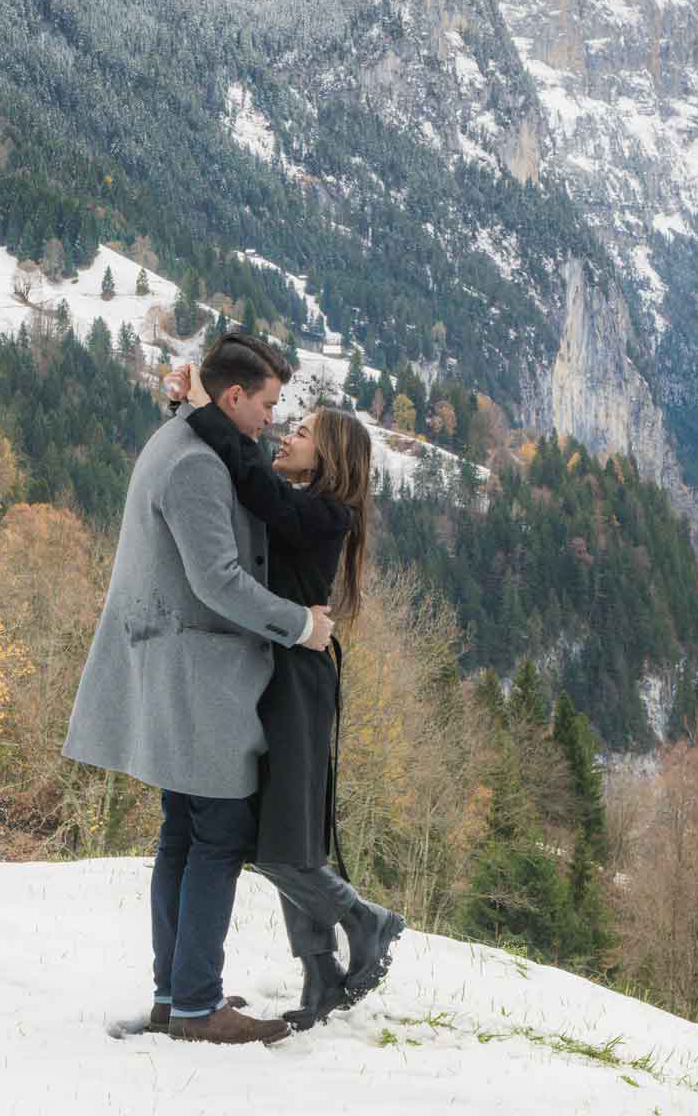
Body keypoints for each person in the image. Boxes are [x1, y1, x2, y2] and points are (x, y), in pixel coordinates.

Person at [62, 333, 334, 1046]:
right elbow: (218, 579)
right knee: (218, 836)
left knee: (183, 834)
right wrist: (300, 623)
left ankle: (173, 995)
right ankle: (196, 1007)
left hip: (177, 667)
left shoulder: (180, 437)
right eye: (269, 405)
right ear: (235, 396)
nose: (274, 420)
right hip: (196, 674)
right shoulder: (193, 467)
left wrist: (180, 397)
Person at [170, 364, 406, 1030]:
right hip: (279, 676)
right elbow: (245, 489)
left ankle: (367, 920)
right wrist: (185, 413)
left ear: (326, 456)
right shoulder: (308, 504)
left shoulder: (323, 512)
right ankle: (323, 974)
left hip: (298, 682)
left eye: (300, 431)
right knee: (286, 834)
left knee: (281, 845)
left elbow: (252, 485)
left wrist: (203, 409)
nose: (285, 434)